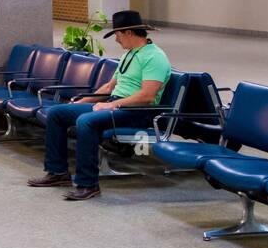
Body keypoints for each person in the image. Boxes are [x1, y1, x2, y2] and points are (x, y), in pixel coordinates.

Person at [28, 11, 172, 202]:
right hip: (117, 104)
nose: (117, 40)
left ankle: (88, 184)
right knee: (57, 113)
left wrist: (112, 104)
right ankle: (57, 172)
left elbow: (147, 96)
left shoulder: (155, 57)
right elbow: (109, 87)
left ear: (128, 32)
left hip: (138, 111)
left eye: (118, 35)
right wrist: (81, 102)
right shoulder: (129, 55)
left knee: (86, 122)